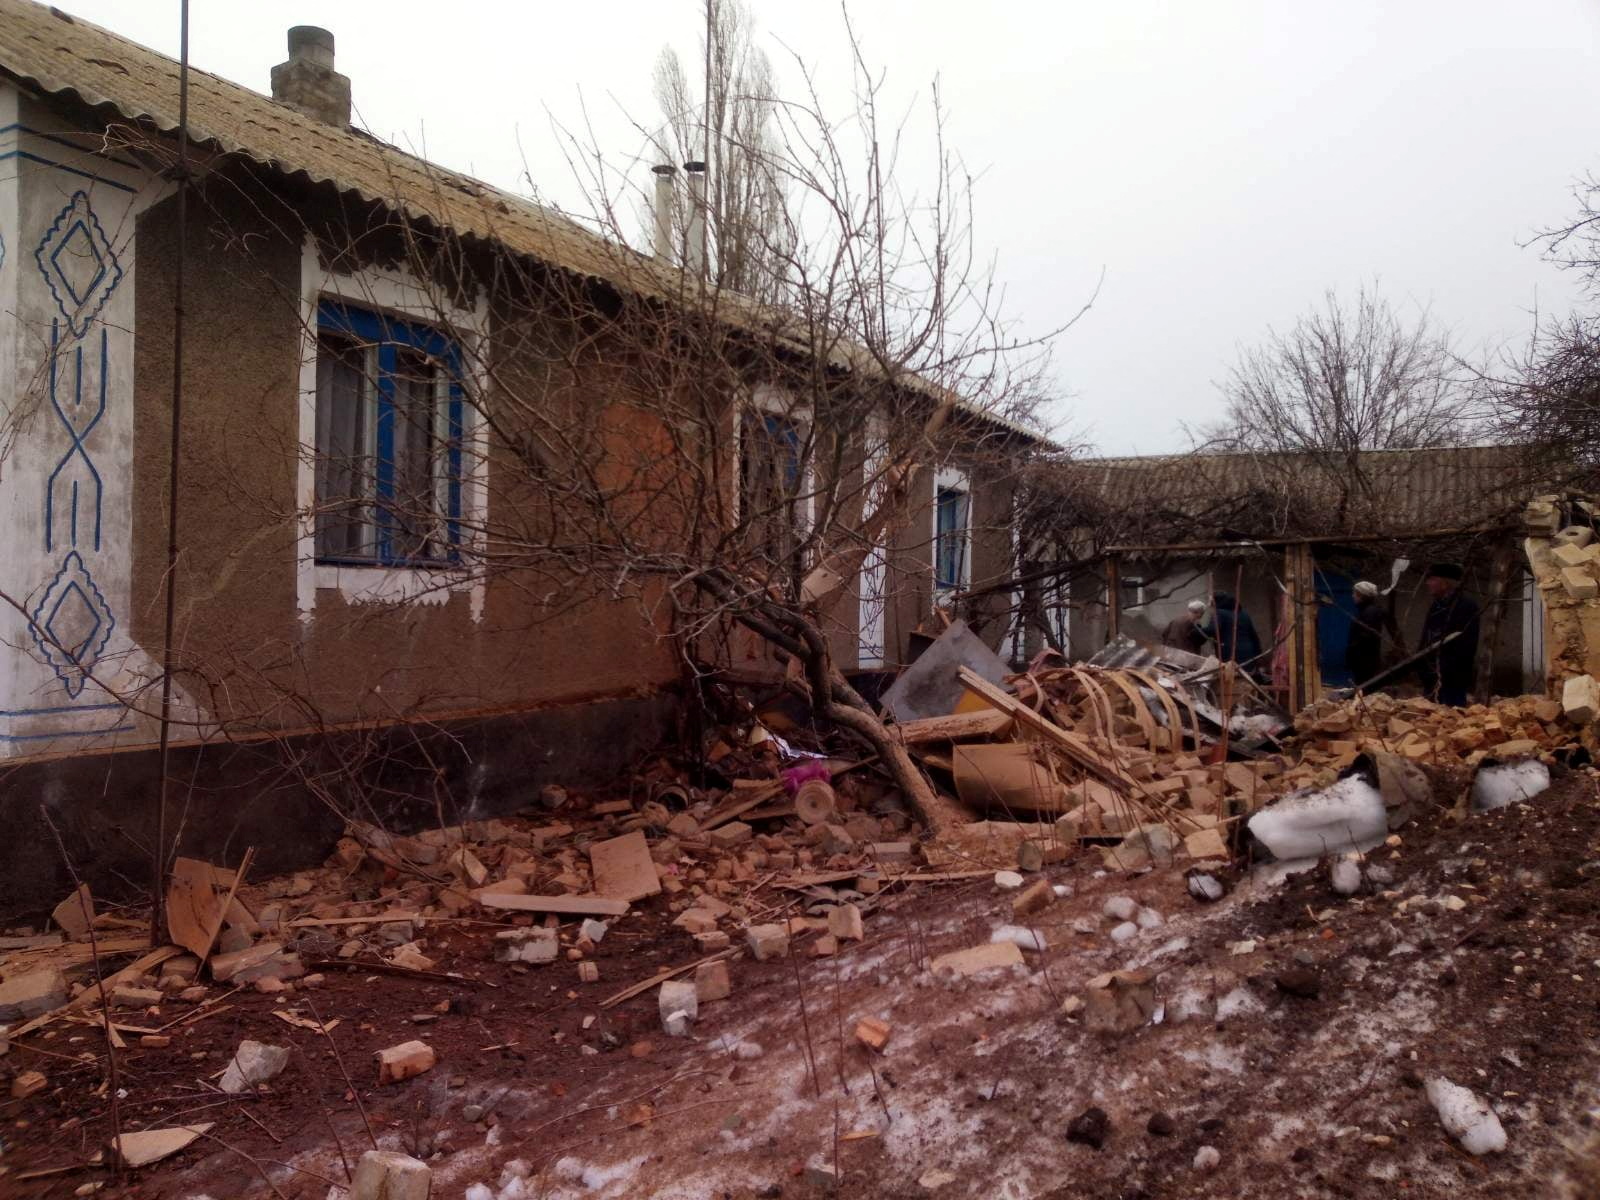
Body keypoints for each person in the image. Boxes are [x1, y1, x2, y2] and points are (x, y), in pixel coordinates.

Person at [1416, 563, 1480, 706]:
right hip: (1431, 673)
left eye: (1432, 579)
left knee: (1452, 716)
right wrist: (1421, 663)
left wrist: (1446, 669)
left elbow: (1466, 645)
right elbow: (1427, 635)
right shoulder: (1437, 605)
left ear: (1445, 583)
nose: (1428, 583)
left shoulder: (1465, 606)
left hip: (1452, 676)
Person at [1345, 579, 1403, 688]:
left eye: (1355, 593)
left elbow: (1365, 637)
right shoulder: (1366, 611)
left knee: (1364, 688)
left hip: (1365, 661)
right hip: (1364, 660)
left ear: (1361, 595)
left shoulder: (1370, 612)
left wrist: (1352, 652)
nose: (1353, 596)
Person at [1199, 591, 1263, 677]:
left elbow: (1213, 630)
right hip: (1249, 653)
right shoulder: (1244, 614)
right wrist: (1258, 654)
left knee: (1233, 681)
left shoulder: (1219, 613)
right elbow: (1253, 635)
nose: (1209, 604)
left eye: (1210, 602)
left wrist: (1197, 631)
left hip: (1231, 654)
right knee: (1247, 679)